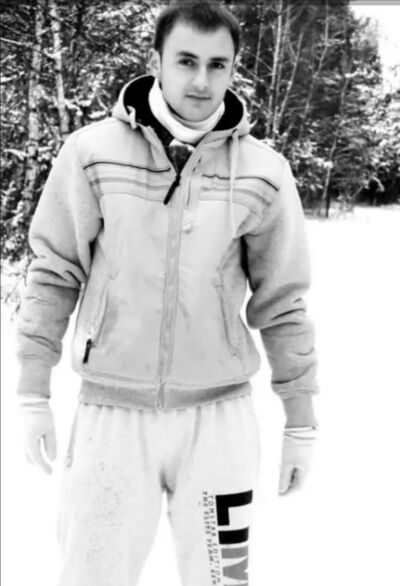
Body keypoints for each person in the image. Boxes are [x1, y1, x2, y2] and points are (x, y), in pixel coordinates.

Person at [16, 2, 319, 585]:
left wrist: (300, 419)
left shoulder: (264, 172)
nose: (201, 80)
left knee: (220, 580)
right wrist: (33, 390)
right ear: (156, 61)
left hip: (220, 422)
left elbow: (283, 301)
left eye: (217, 64)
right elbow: (54, 272)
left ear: (233, 70)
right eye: (186, 61)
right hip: (111, 417)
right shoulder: (91, 153)